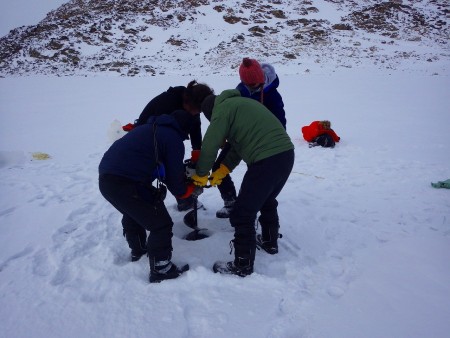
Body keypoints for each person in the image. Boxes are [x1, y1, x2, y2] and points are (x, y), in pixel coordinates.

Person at [191, 90, 295, 277]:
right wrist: (222, 170)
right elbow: (238, 148)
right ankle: (269, 242)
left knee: (242, 213)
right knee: (266, 199)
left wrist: (200, 174)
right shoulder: (241, 104)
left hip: (266, 160)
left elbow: (210, 144)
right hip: (286, 155)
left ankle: (242, 264)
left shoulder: (222, 110)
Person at [99, 110, 199, 283]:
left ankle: (139, 250)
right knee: (161, 224)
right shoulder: (173, 138)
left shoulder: (147, 128)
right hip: (127, 182)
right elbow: (175, 182)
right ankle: (161, 268)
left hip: (106, 179)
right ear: (185, 129)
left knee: (134, 212)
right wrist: (188, 190)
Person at [123, 80, 214, 212]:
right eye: (196, 111)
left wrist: (197, 152)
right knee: (164, 170)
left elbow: (195, 129)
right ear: (188, 102)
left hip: (166, 139)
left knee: (172, 167)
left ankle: (185, 201)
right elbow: (149, 124)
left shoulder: (193, 106)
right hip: (147, 140)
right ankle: (146, 207)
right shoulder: (167, 102)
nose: (196, 114)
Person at [212, 58, 287, 219]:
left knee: (255, 178)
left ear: (261, 79)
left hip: (262, 144)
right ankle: (231, 202)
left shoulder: (272, 96)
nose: (251, 88)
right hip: (240, 137)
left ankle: (250, 210)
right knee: (218, 167)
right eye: (248, 84)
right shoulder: (241, 90)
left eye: (254, 85)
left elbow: (280, 122)